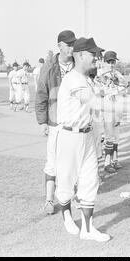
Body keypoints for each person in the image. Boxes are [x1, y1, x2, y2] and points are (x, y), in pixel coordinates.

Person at [56, 37, 130, 242]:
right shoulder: (73, 79)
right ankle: (66, 215)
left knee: (90, 180)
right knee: (66, 181)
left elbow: (106, 97)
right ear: (80, 55)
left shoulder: (87, 79)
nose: (97, 58)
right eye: (93, 55)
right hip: (69, 136)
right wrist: (129, 108)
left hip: (88, 134)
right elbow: (95, 103)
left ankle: (88, 229)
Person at [35, 30, 77, 215]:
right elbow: (41, 94)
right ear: (59, 45)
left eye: (73, 44)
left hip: (74, 120)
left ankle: (72, 197)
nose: (71, 48)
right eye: (68, 45)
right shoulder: (50, 67)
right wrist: (42, 121)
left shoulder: (78, 64)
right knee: (52, 161)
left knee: (73, 161)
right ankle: (49, 200)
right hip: (54, 121)